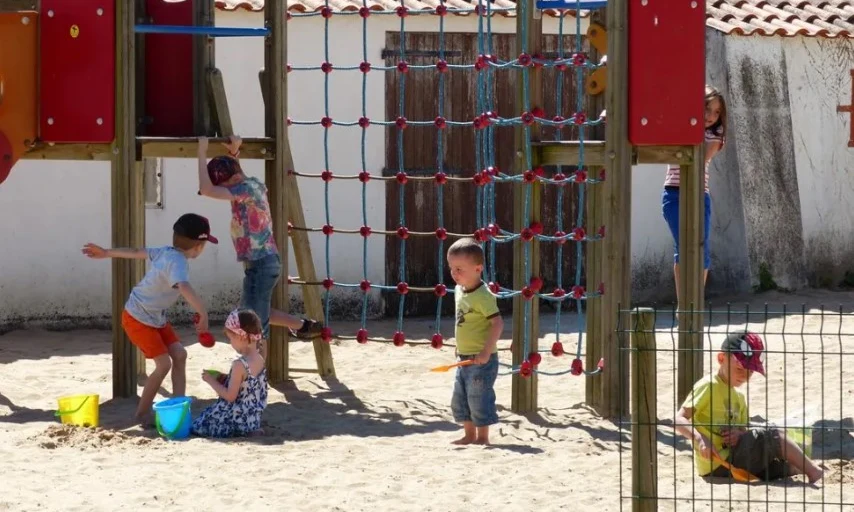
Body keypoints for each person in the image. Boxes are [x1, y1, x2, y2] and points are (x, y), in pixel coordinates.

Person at [81, 213, 215, 425]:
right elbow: (183, 286)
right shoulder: (178, 262)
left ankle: (179, 407)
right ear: (199, 245)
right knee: (163, 365)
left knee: (179, 355)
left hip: (154, 316)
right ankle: (142, 414)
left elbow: (135, 252)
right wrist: (203, 312)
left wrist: (107, 252)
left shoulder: (165, 251)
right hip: (137, 318)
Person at [196, 135, 322, 356]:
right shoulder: (250, 184)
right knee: (254, 313)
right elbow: (236, 175)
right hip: (262, 263)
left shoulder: (245, 189)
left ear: (232, 179)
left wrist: (201, 151)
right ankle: (303, 326)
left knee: (252, 325)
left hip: (261, 264)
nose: (224, 191)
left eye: (224, 185)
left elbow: (206, 190)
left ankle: (255, 376)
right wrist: (234, 153)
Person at [674, 330, 824, 484]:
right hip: (717, 464)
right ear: (721, 358)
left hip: (736, 462)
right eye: (740, 369)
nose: (744, 376)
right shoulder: (709, 385)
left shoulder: (739, 397)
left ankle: (801, 467)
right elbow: (679, 419)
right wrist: (700, 439)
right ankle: (813, 471)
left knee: (782, 467)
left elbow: (743, 431)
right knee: (774, 434)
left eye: (750, 372)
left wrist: (738, 435)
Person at [662, 85, 726, 302]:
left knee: (701, 248)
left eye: (717, 112)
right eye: (707, 109)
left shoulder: (715, 135)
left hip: (700, 194)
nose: (711, 116)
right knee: (682, 246)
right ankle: (683, 304)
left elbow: (700, 159)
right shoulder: (680, 125)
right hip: (673, 193)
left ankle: (694, 302)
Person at [446, 237, 504, 445]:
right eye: (452, 268)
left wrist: (486, 352)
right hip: (464, 358)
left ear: (478, 268)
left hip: (482, 360)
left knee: (478, 398)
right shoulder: (459, 291)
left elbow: (497, 324)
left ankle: (483, 437)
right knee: (460, 399)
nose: (454, 273)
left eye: (460, 269)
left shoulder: (484, 296)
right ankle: (469, 435)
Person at [192, 308, 268, 438]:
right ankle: (250, 430)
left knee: (200, 423)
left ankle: (240, 431)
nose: (230, 343)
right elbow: (247, 387)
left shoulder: (239, 365)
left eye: (231, 338)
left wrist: (210, 381)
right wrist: (224, 378)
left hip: (235, 419)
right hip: (252, 419)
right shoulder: (260, 359)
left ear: (241, 337)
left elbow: (230, 396)